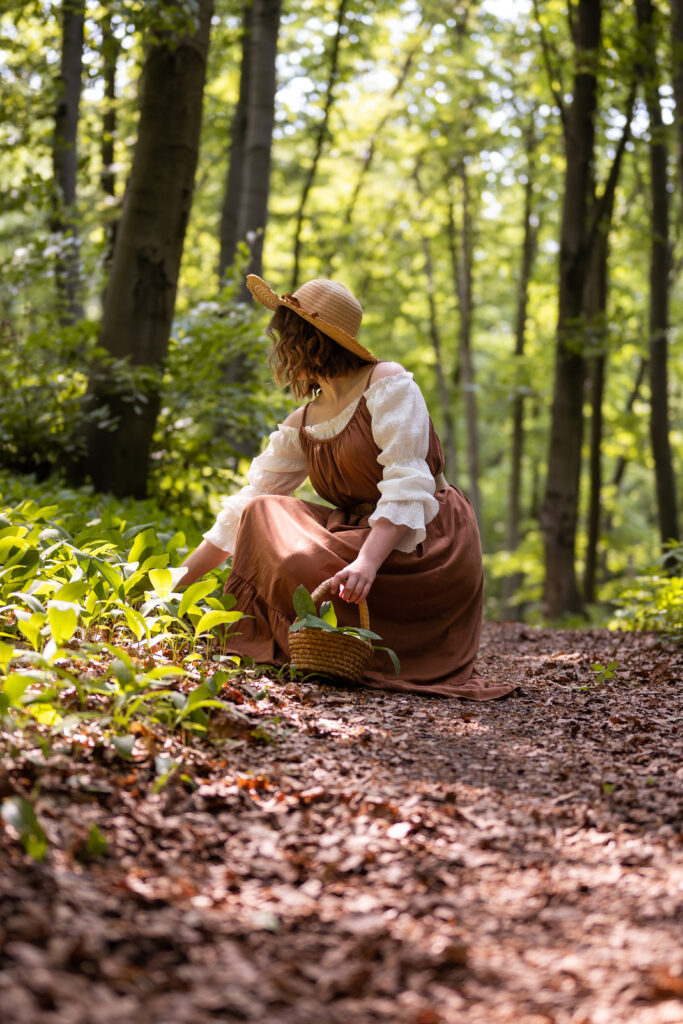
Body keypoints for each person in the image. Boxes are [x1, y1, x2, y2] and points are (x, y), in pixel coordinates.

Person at [179, 274, 513, 700]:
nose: (279, 350)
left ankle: (354, 634)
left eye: (285, 338)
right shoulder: (304, 421)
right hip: (357, 537)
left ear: (309, 341)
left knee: (301, 541)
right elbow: (244, 508)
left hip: (423, 544)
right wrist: (171, 588)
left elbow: (408, 481)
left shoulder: (387, 382)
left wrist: (367, 563)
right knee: (262, 510)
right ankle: (318, 640)